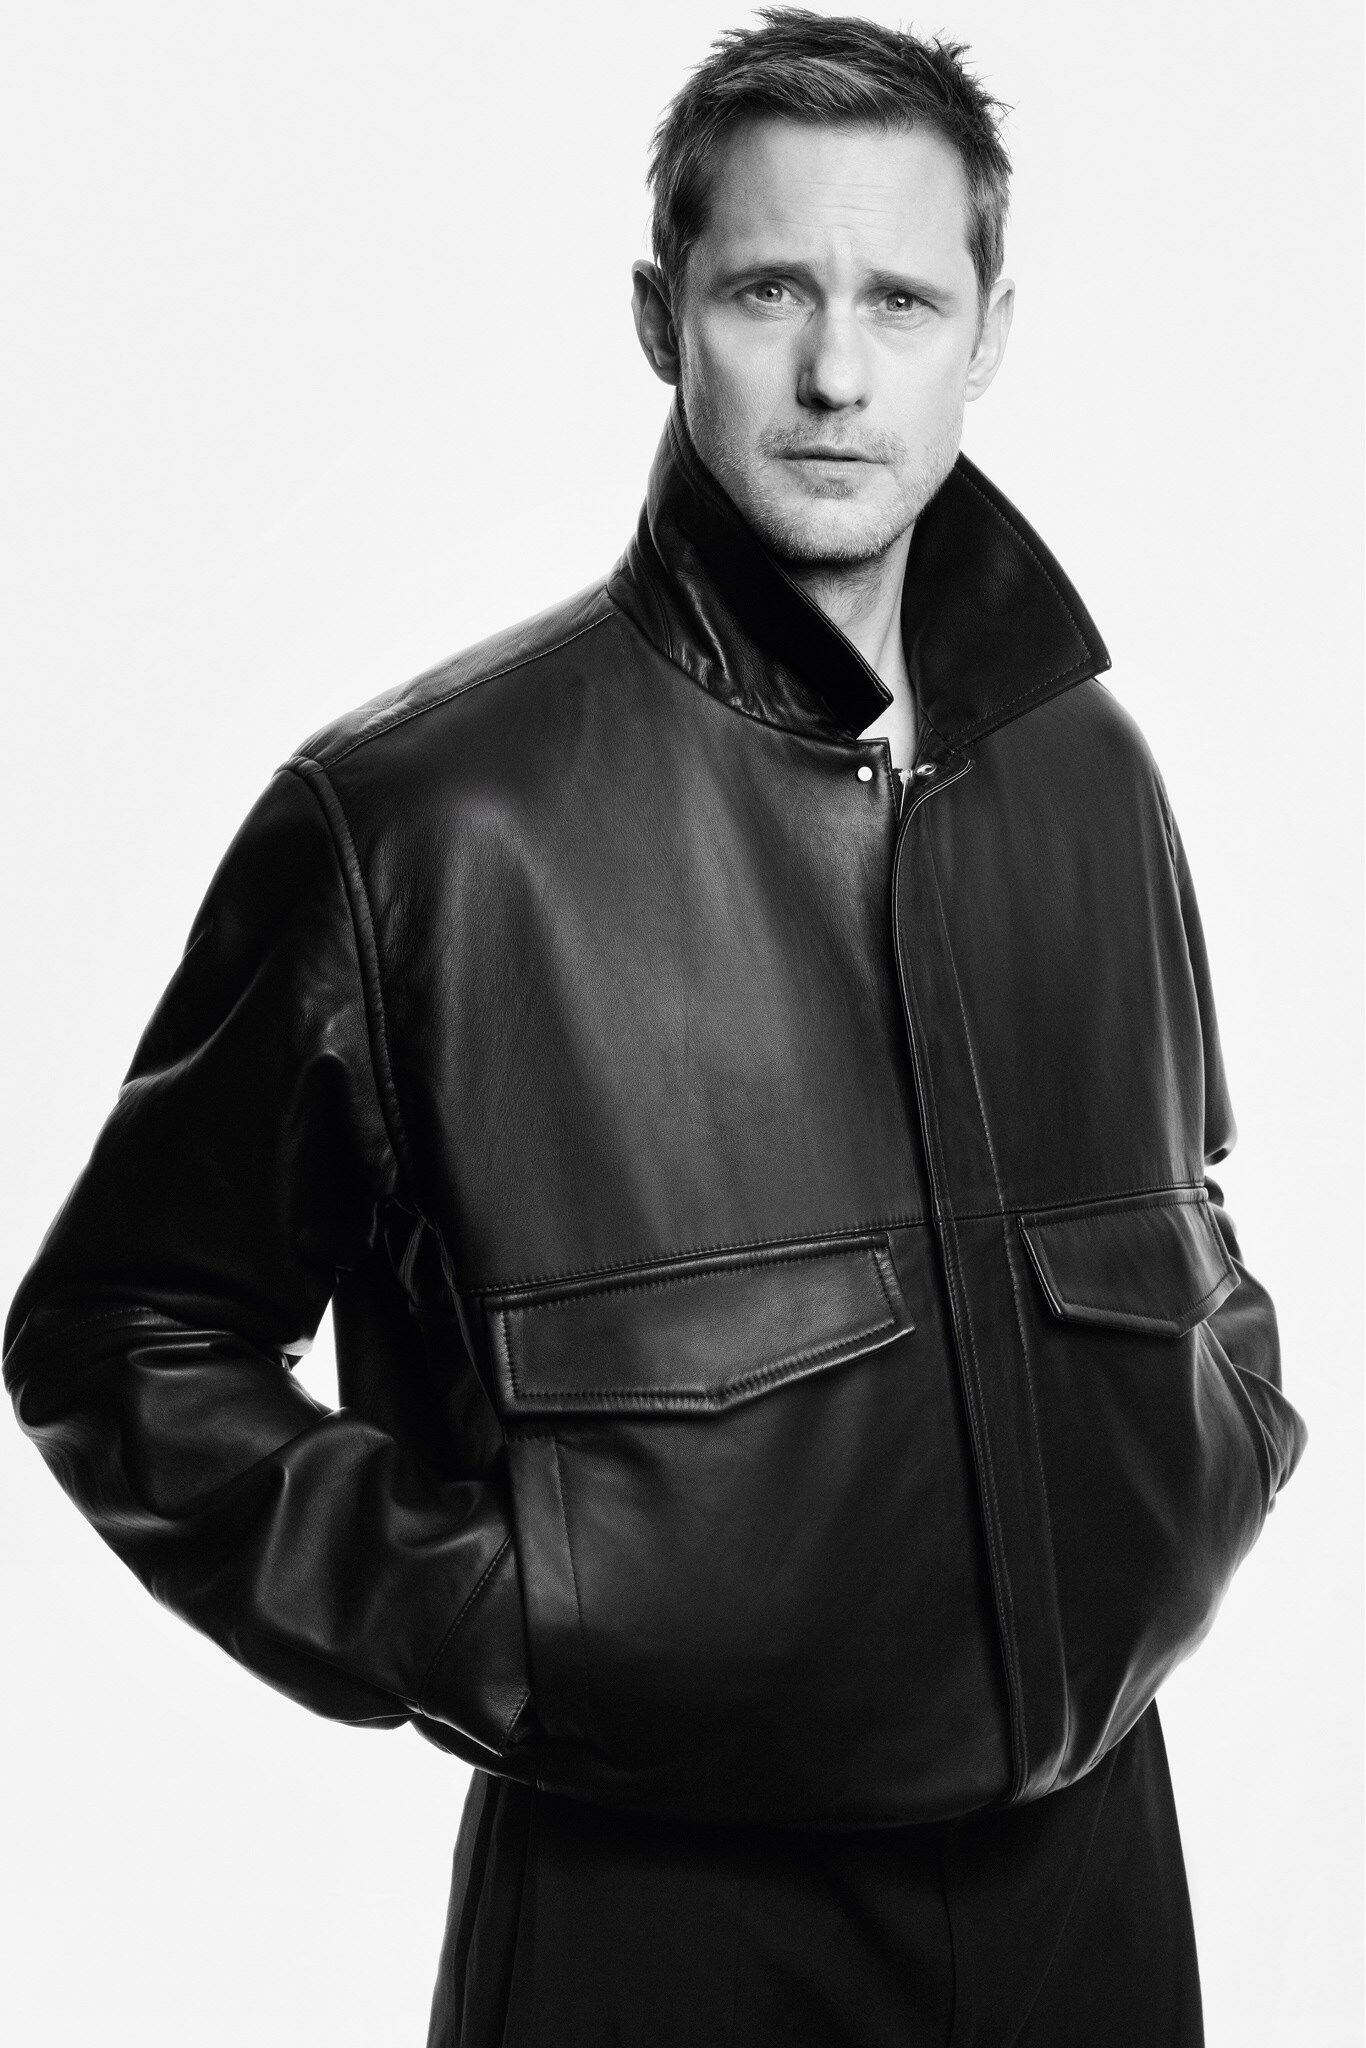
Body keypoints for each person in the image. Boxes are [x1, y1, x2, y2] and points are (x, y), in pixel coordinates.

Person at [4, 11, 1306, 2045]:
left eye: (899, 299)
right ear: (657, 316)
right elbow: (122, 1334)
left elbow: (1181, 1207)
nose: (834, 371)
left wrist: (1222, 1428)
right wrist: (508, 1623)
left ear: (987, 333)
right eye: (767, 290)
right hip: (656, 1917)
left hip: (1092, 1885)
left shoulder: (1087, 771)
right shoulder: (431, 818)